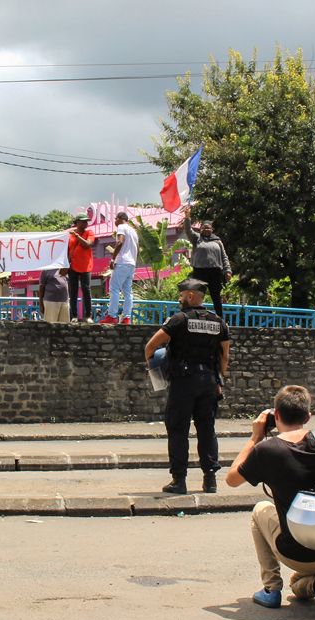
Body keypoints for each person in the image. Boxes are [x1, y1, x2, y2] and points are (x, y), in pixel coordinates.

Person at [225, 385, 315, 618]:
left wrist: (255, 437)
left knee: (260, 509)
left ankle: (271, 588)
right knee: (297, 585)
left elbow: (232, 479)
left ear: (276, 415)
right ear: (308, 416)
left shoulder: (267, 450)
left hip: (297, 553)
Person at [143, 278, 231, 494]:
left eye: (181, 295)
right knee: (207, 429)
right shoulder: (218, 322)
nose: (179, 299)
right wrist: (219, 380)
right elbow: (225, 356)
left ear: (190, 296)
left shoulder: (179, 320)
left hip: (183, 382)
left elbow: (151, 346)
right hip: (208, 382)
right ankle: (210, 480)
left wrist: (157, 373)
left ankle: (179, 480)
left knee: (178, 429)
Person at [181, 205, 232, 317]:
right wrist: (187, 217)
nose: (206, 229)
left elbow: (224, 257)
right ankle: (194, 316)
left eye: (208, 228)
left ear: (212, 230)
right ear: (200, 230)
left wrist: (228, 270)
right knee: (197, 295)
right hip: (200, 271)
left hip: (215, 272)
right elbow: (188, 230)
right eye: (204, 228)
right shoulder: (197, 239)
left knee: (216, 297)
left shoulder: (217, 241)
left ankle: (220, 319)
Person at [100, 211, 139, 325]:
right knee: (128, 292)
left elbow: (120, 241)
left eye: (116, 219)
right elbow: (137, 248)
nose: (115, 221)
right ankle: (127, 317)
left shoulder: (121, 227)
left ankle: (112, 316)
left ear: (121, 218)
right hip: (131, 264)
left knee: (114, 289)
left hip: (122, 262)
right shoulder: (134, 231)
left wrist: (113, 259)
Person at [68, 210, 95, 323]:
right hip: (72, 266)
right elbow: (66, 250)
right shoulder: (69, 235)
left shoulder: (89, 232)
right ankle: (74, 316)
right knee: (73, 291)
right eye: (83, 221)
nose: (86, 223)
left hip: (85, 266)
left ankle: (88, 315)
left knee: (86, 289)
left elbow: (87, 244)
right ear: (77, 222)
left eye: (86, 221)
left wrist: (77, 236)